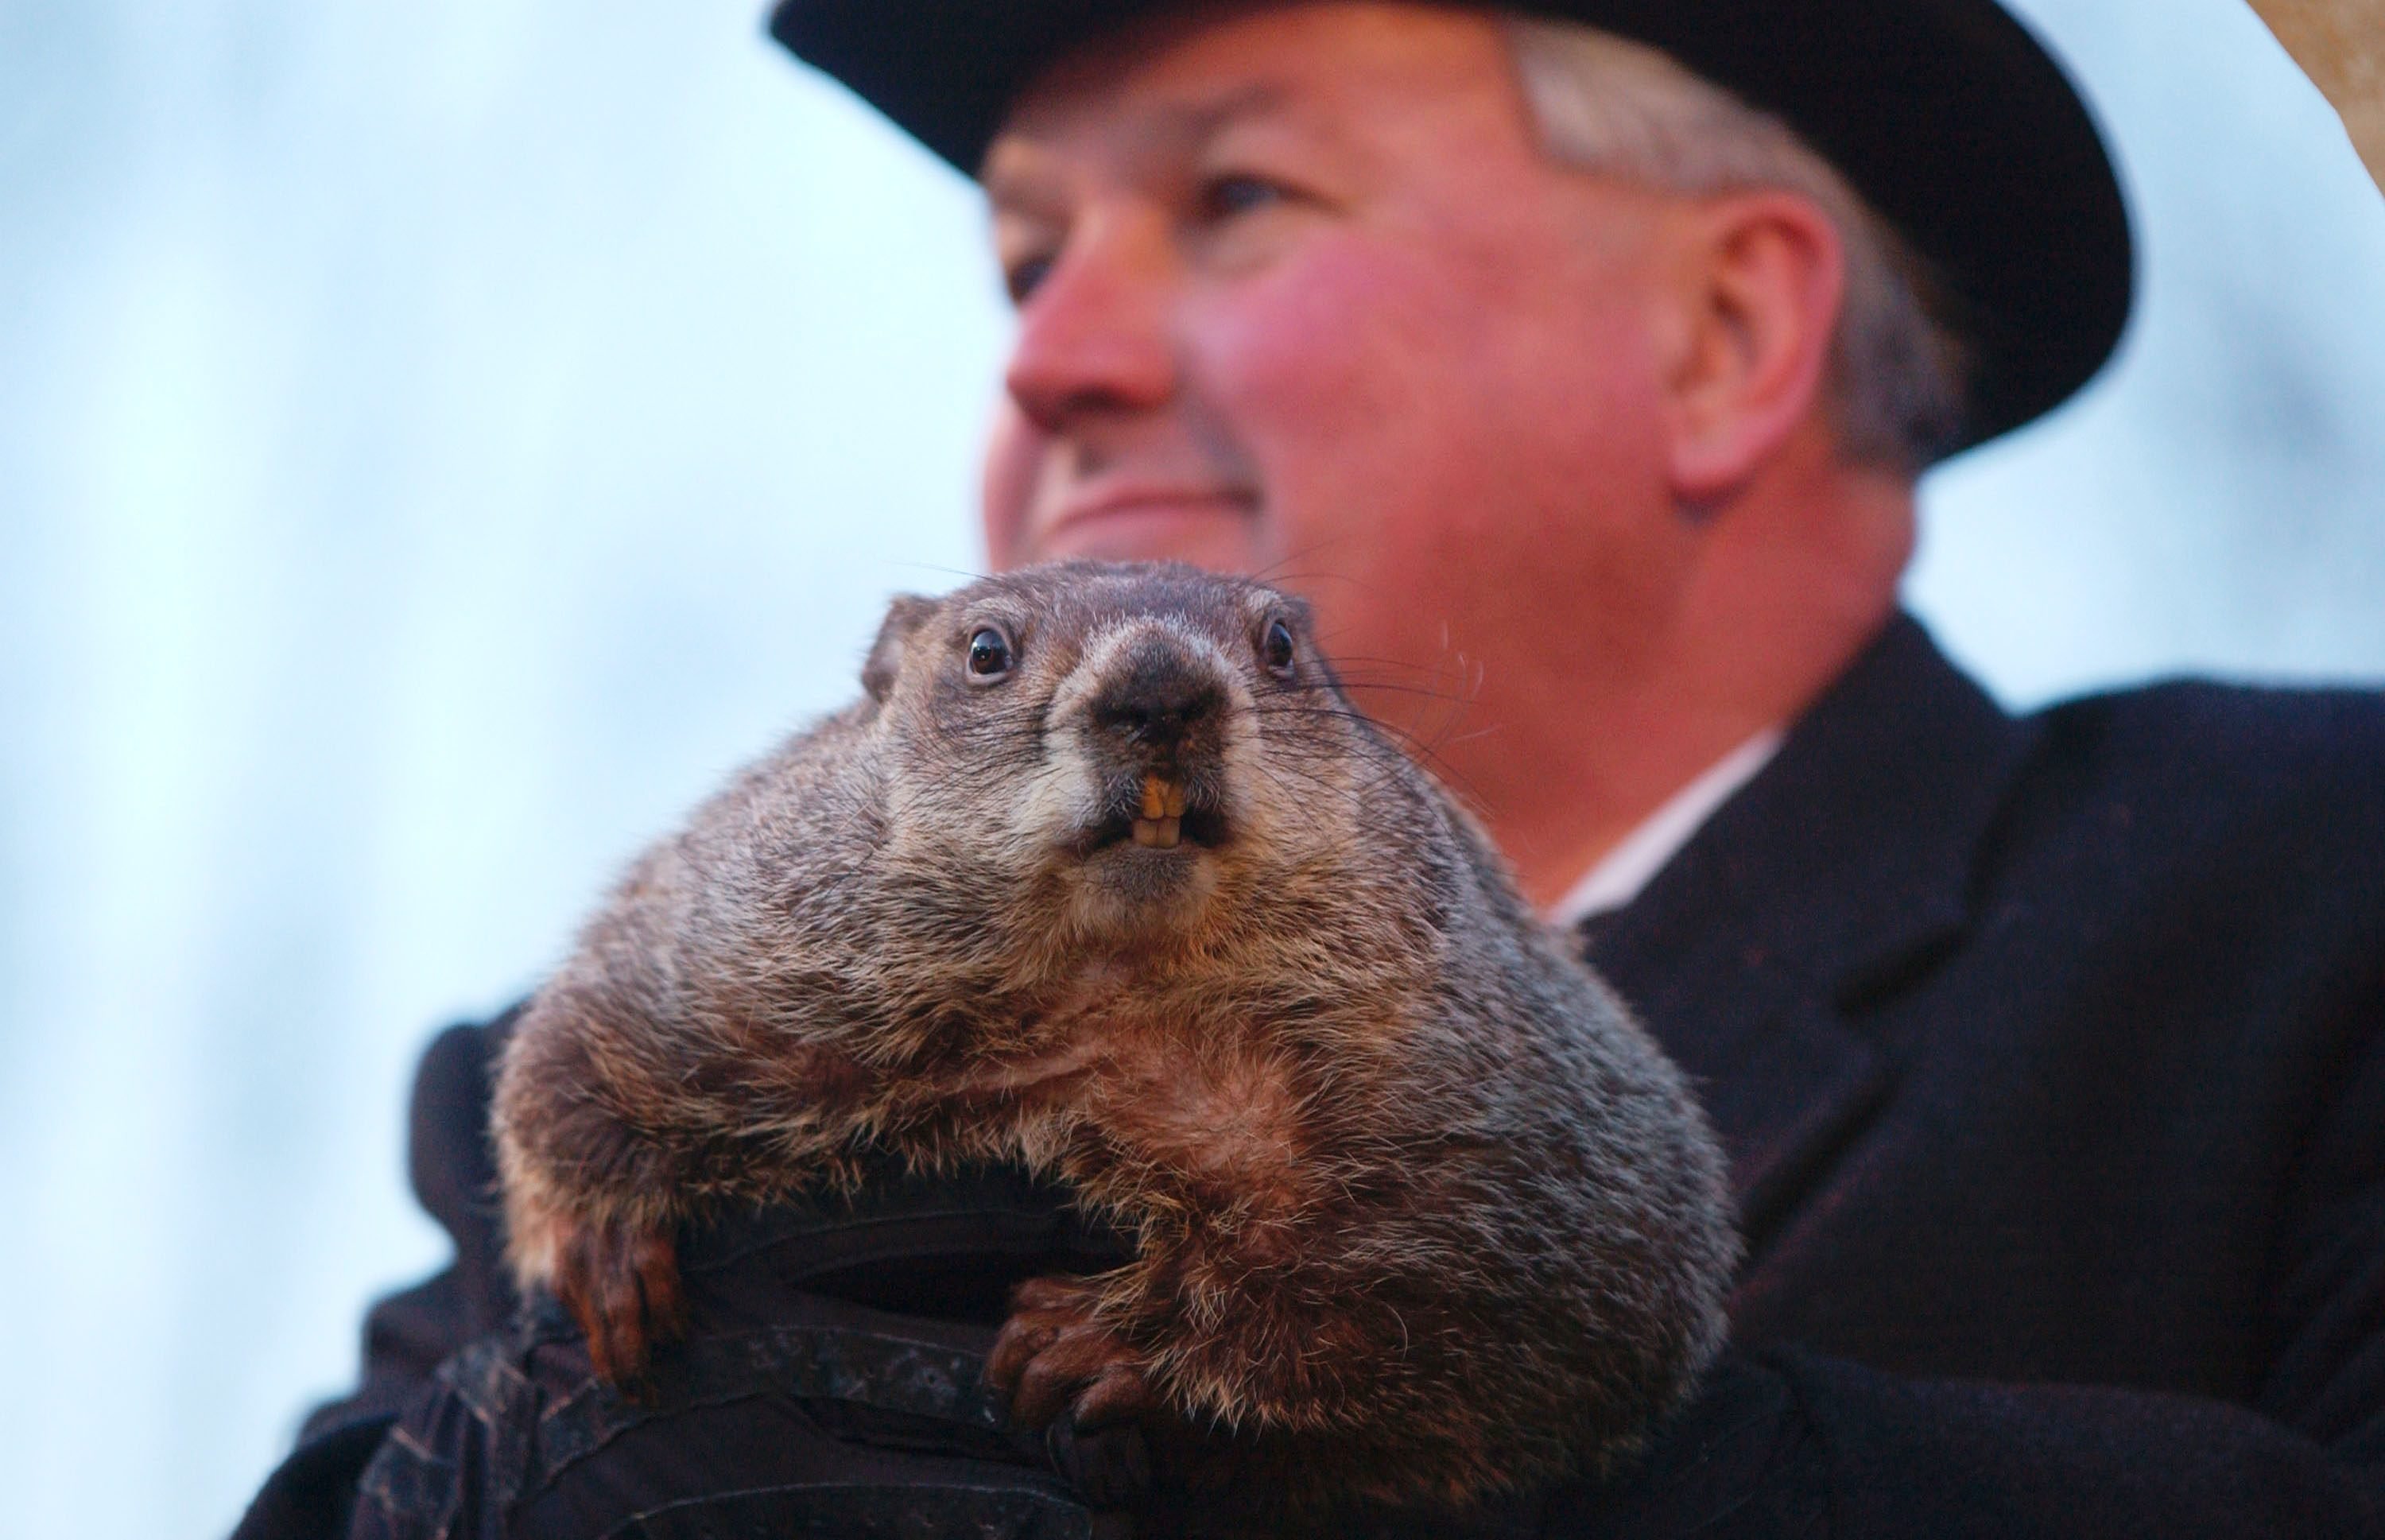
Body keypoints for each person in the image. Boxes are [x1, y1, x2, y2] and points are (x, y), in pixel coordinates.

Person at [235, 2, 2385, 1535]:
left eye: (1239, 195)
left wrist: (1564, 1467)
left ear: (1727, 335)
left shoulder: (2299, 908)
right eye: (1023, 256)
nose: (1048, 351)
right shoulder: (560, 1079)